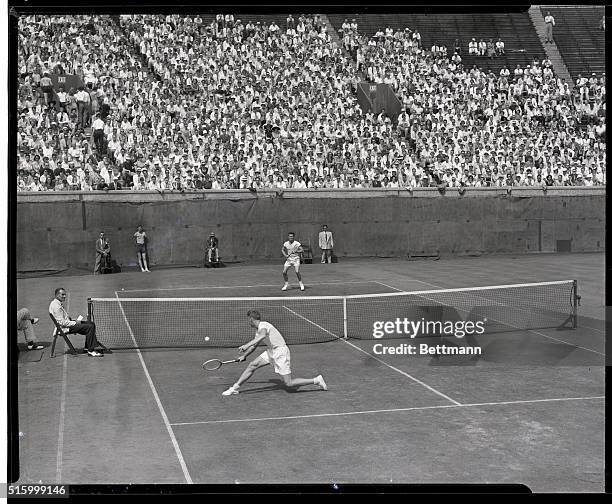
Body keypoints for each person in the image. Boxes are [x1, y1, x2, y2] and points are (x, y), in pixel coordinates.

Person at [221, 310, 327, 396]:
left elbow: (262, 336)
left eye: (249, 320)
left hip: (281, 353)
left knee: (289, 384)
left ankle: (316, 380)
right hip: (272, 351)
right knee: (252, 365)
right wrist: (244, 356)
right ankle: (234, 388)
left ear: (252, 319)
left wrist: (245, 345)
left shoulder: (263, 326)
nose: (248, 322)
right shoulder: (258, 330)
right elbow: (254, 345)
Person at [48, 288, 103, 357]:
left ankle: (87, 347)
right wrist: (75, 323)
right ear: (57, 295)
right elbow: (62, 323)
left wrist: (73, 320)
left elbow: (63, 319)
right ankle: (91, 350)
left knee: (91, 323)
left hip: (67, 324)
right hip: (65, 328)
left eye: (65, 294)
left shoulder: (55, 303)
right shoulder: (56, 307)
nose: (65, 296)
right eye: (62, 294)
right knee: (90, 327)